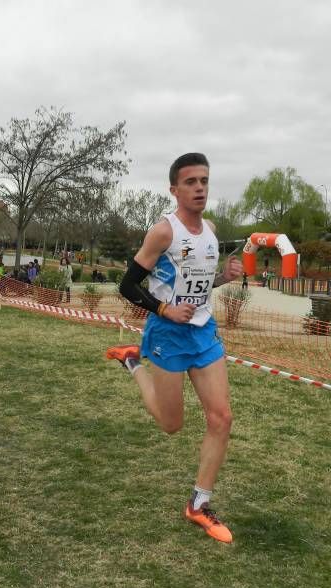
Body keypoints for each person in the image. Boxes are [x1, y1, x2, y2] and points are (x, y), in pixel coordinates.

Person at [106, 152, 243, 543]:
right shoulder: (163, 232)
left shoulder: (212, 230)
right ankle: (134, 363)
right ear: (174, 189)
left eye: (204, 181)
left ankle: (198, 506)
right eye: (190, 182)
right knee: (171, 425)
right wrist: (165, 309)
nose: (199, 188)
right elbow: (127, 286)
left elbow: (199, 285)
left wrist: (224, 278)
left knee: (221, 418)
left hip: (203, 332)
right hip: (167, 335)